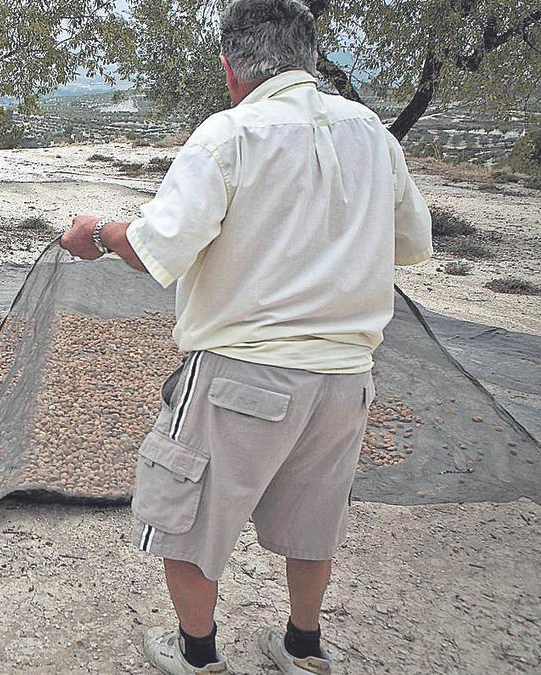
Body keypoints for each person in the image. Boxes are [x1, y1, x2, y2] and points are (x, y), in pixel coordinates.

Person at [60, 0, 432, 673]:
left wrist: (97, 233)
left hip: (241, 375)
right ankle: (302, 646)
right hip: (346, 378)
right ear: (310, 58)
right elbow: (410, 244)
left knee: (187, 517)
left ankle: (197, 654)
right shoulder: (374, 133)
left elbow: (153, 250)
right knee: (315, 520)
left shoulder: (229, 135)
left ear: (230, 66)